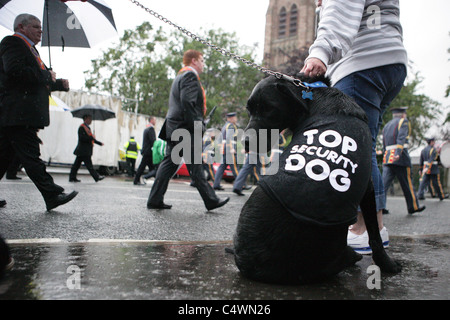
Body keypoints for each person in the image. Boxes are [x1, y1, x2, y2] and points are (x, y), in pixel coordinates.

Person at [301, 0, 408, 251]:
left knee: (356, 150)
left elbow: (341, 10)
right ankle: (371, 227)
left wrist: (320, 51)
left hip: (362, 65)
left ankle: (366, 229)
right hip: (390, 61)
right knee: (366, 146)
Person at [0, 14, 78, 211]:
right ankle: (52, 195)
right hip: (18, 114)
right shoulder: (12, 42)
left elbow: (34, 83)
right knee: (31, 156)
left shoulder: (31, 49)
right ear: (21, 27)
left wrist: (58, 84)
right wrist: (45, 74)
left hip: (18, 115)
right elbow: (15, 71)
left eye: (41, 27)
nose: (40, 31)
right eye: (35, 27)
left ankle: (51, 195)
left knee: (3, 157)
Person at [147, 49, 229, 211]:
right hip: (185, 128)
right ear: (194, 61)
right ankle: (210, 200)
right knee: (195, 165)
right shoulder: (190, 76)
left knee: (170, 163)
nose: (203, 64)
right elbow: (187, 103)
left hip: (175, 126)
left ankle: (155, 199)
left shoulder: (180, 76)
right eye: (202, 60)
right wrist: (198, 125)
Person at [382, 107, 425, 214]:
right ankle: (413, 206)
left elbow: (384, 142)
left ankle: (380, 207)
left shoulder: (387, 125)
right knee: (407, 183)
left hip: (388, 157)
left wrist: (385, 155)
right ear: (403, 115)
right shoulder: (403, 122)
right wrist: (398, 153)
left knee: (383, 185)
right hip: (400, 157)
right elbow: (401, 138)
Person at [69, 114, 105, 182]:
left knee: (76, 165)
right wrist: (91, 138)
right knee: (89, 166)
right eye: (89, 119)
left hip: (84, 151)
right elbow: (82, 138)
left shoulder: (88, 128)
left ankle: (72, 177)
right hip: (83, 150)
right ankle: (96, 177)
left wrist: (99, 143)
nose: (91, 120)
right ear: (86, 119)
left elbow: (91, 139)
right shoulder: (82, 127)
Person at [213, 112, 240, 190]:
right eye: (235, 117)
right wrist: (231, 148)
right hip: (229, 147)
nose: (236, 119)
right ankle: (241, 184)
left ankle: (216, 184)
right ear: (231, 118)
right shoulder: (231, 126)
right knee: (234, 167)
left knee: (222, 167)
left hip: (225, 147)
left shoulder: (225, 126)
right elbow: (229, 138)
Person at [134, 117, 157, 185]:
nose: (155, 121)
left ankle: (157, 181)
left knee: (152, 168)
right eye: (155, 120)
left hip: (146, 151)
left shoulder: (147, 128)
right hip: (148, 152)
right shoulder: (151, 129)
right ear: (151, 120)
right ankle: (138, 179)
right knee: (144, 167)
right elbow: (153, 141)